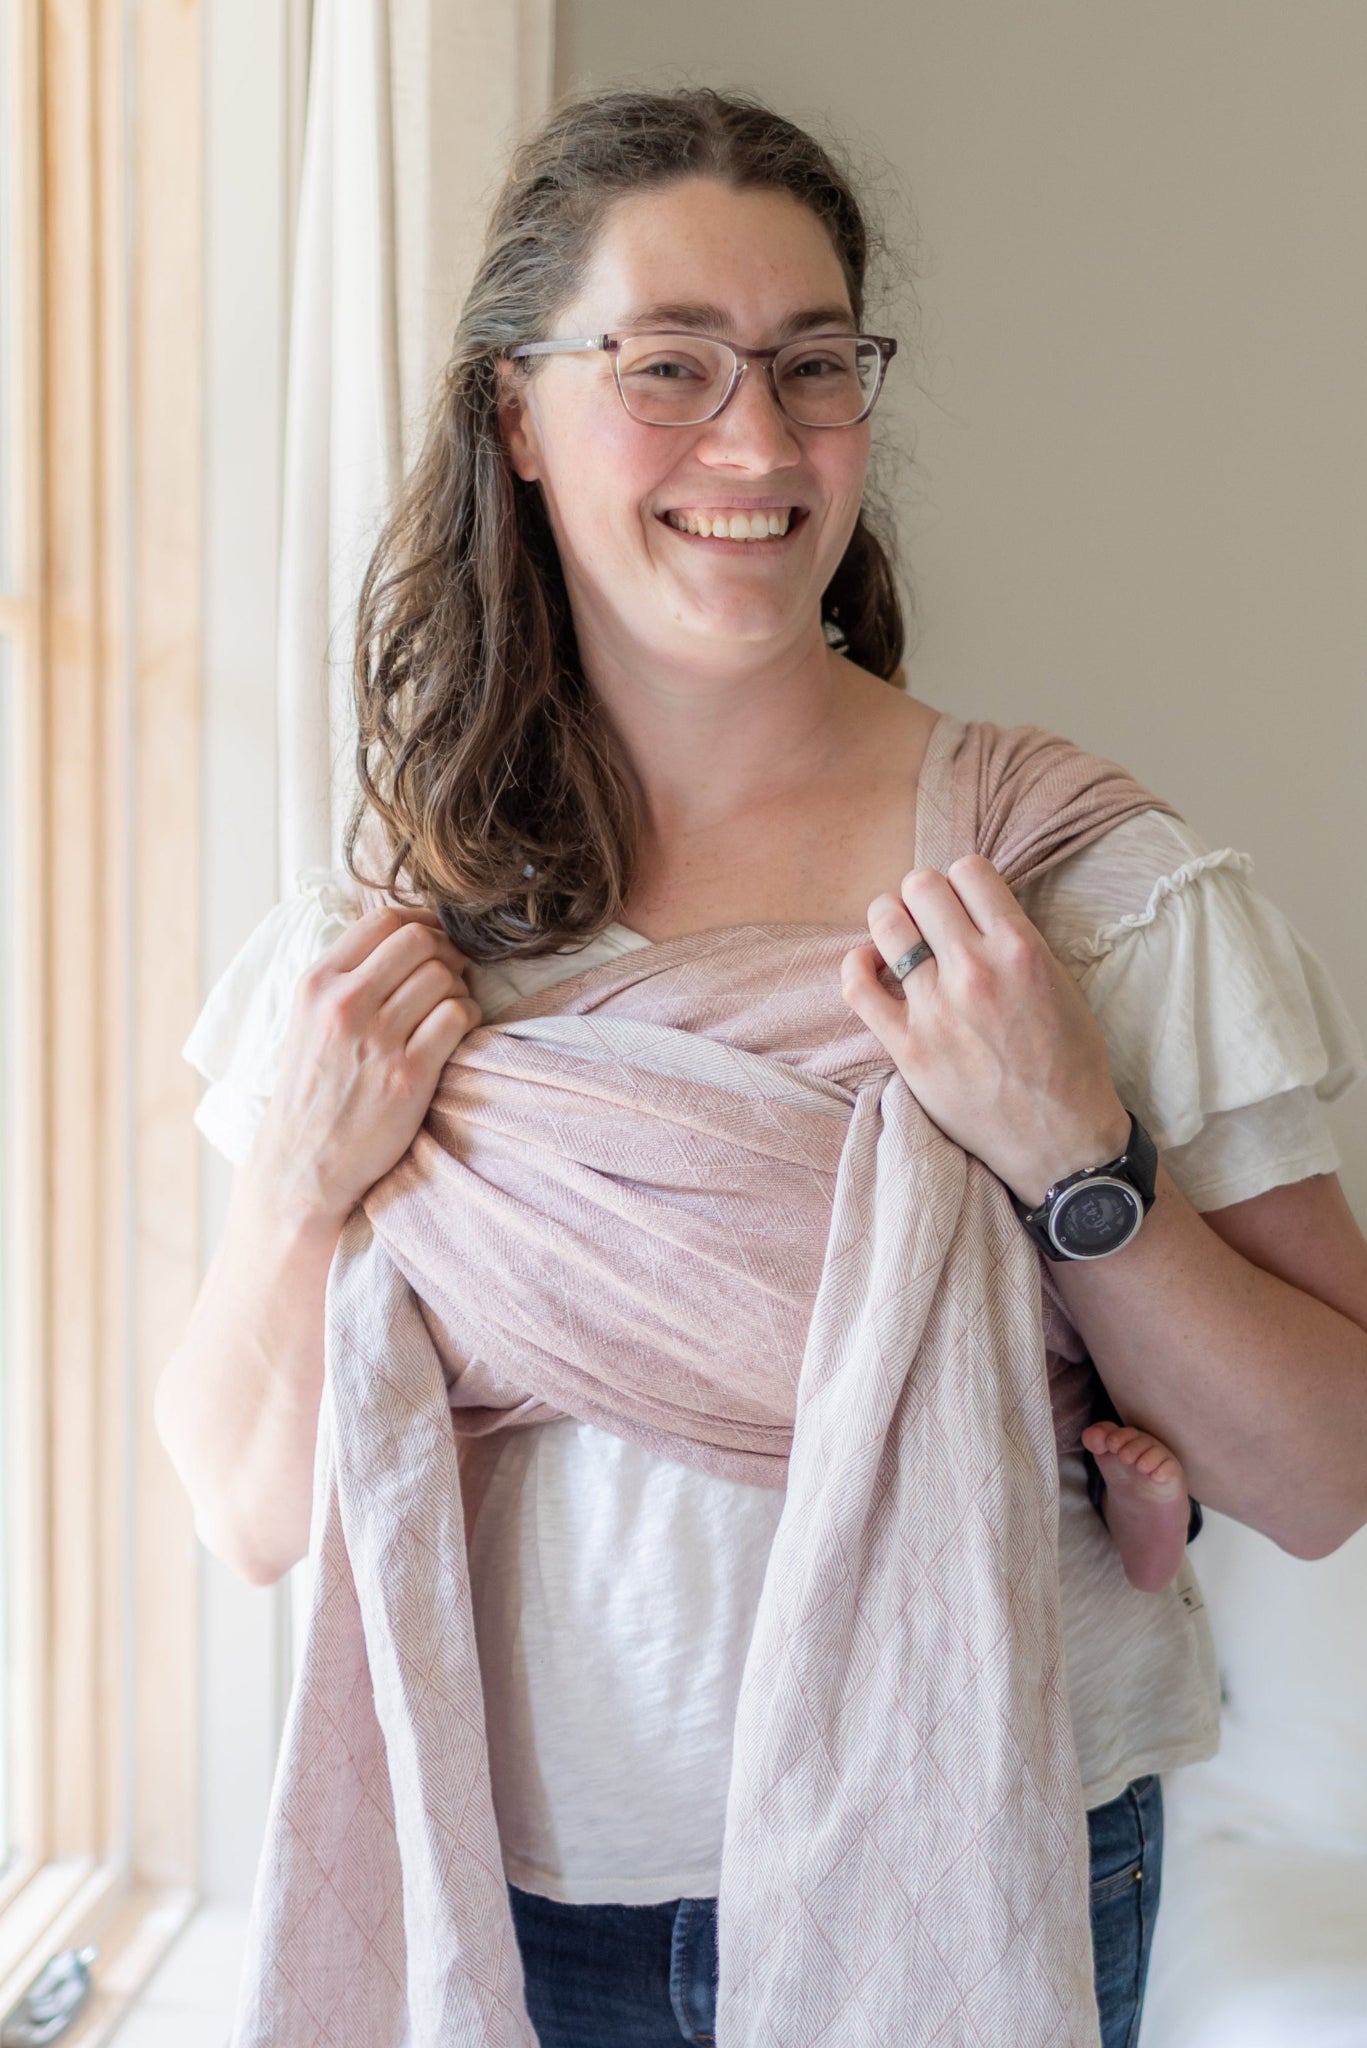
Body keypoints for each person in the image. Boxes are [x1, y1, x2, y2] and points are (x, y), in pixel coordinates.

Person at [156, 86, 1367, 2048]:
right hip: (516, 1905)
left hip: (993, 1852)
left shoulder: (1076, 894)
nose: (757, 440)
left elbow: (1327, 1472)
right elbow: (248, 1500)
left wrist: (1081, 1152)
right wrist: (299, 1187)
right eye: (671, 367)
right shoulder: (379, 938)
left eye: (813, 367)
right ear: (516, 421)